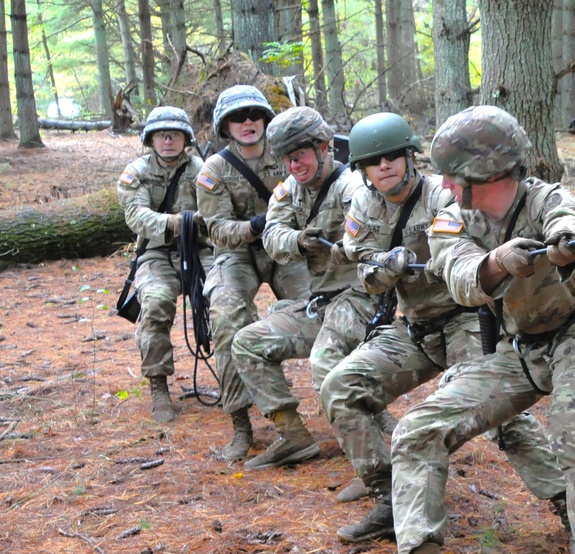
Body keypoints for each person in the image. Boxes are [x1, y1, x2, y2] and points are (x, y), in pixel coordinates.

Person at [361, 106, 575, 554]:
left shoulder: (545, 198)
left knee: (572, 426)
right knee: (420, 429)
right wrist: (499, 262)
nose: (441, 183)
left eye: (451, 174)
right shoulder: (451, 212)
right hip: (515, 351)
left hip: (574, 338)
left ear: (486, 173)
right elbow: (460, 276)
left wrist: (562, 247)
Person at [319, 112, 569, 546]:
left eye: (393, 156)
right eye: (374, 161)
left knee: (500, 417)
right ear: (362, 170)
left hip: (467, 321)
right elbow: (364, 273)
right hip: (413, 327)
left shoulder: (445, 195)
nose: (385, 167)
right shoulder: (363, 206)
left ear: (410, 157)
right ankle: (388, 496)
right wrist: (384, 269)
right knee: (341, 387)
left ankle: (568, 503)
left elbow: (467, 258)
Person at [229, 106, 381, 472]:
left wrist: (343, 245)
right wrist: (299, 240)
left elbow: (370, 236)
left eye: (301, 156)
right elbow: (272, 236)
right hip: (322, 303)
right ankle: (293, 435)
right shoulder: (290, 191)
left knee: (325, 362)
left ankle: (373, 462)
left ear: (324, 148)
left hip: (361, 300)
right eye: (287, 159)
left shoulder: (353, 186)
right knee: (247, 343)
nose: (294, 165)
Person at [197, 86, 311, 461]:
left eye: (254, 115)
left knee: (321, 305)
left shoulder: (287, 158)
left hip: (285, 248)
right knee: (227, 315)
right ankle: (240, 424)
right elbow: (216, 229)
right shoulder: (214, 169)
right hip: (238, 253)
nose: (247, 122)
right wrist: (254, 227)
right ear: (225, 126)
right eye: (238, 117)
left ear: (265, 119)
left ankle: (359, 405)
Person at [117, 106, 211, 422]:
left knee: (228, 298)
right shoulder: (137, 172)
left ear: (186, 138)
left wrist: (200, 225)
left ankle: (236, 378)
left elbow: (218, 211)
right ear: (151, 139)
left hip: (200, 252)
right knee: (156, 304)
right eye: (161, 134)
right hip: (156, 254)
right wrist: (176, 222)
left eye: (174, 134)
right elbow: (136, 216)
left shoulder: (204, 169)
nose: (167, 139)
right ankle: (159, 388)